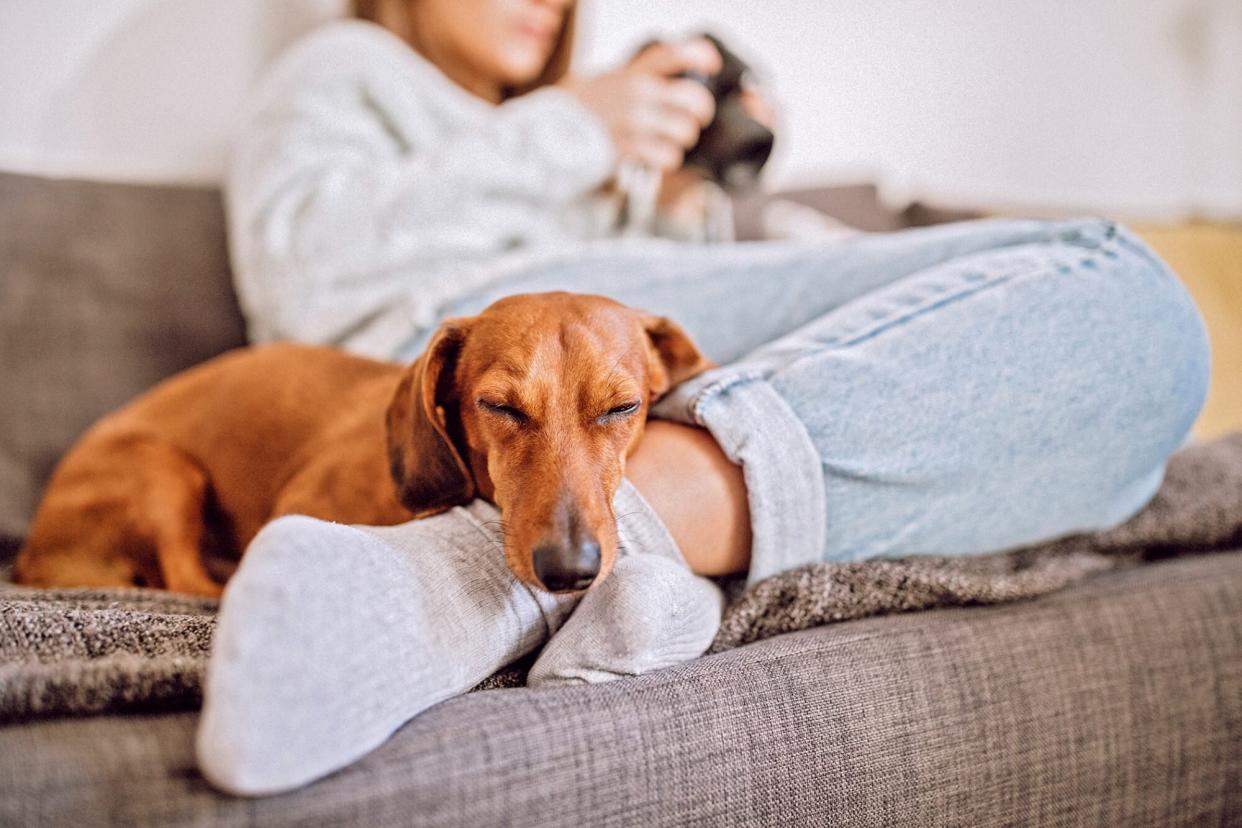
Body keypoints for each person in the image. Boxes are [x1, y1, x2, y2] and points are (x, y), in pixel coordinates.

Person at [200, 0, 1211, 795]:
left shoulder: (553, 144)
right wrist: (574, 128)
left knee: (1139, 342)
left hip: (623, 346)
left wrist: (688, 201)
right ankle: (463, 581)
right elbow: (304, 280)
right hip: (480, 327)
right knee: (1119, 282)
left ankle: (604, 550)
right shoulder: (346, 72)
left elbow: (690, 381)